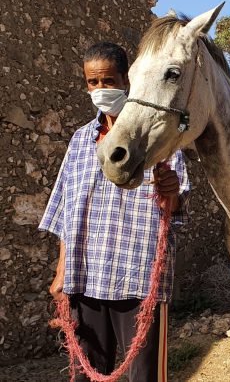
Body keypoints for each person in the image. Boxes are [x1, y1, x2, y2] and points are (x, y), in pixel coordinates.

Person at [39, 42, 190, 382]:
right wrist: (61, 272)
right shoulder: (80, 140)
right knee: (86, 375)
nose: (100, 90)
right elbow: (67, 209)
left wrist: (170, 194)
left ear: (127, 81)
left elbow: (174, 211)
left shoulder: (158, 139)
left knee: (145, 376)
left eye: (108, 81)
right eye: (93, 82)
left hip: (139, 280)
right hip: (85, 278)